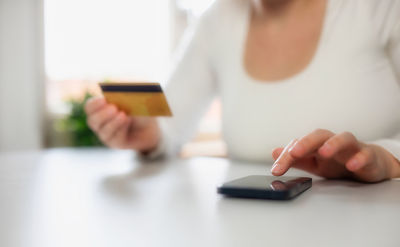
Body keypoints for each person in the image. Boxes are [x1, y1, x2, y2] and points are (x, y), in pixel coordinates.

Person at [85, 0, 400, 183]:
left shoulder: (381, 8)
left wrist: (388, 159)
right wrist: (148, 133)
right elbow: (170, 124)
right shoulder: (217, 20)